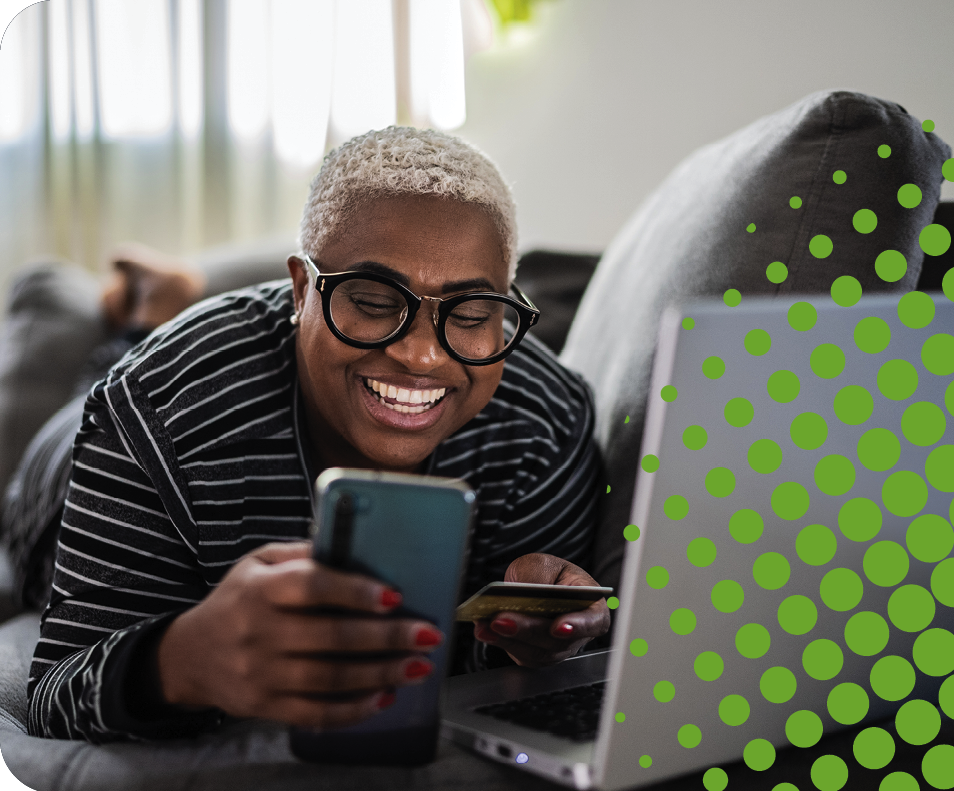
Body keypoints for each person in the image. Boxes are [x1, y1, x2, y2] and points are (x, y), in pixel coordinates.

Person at [22, 127, 607, 743]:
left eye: (468, 312)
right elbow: (54, 695)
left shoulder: (547, 421)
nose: (423, 357)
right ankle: (141, 315)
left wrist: (526, 642)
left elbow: (507, 667)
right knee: (100, 373)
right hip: (59, 470)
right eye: (376, 300)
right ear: (302, 289)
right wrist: (180, 660)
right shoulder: (149, 408)